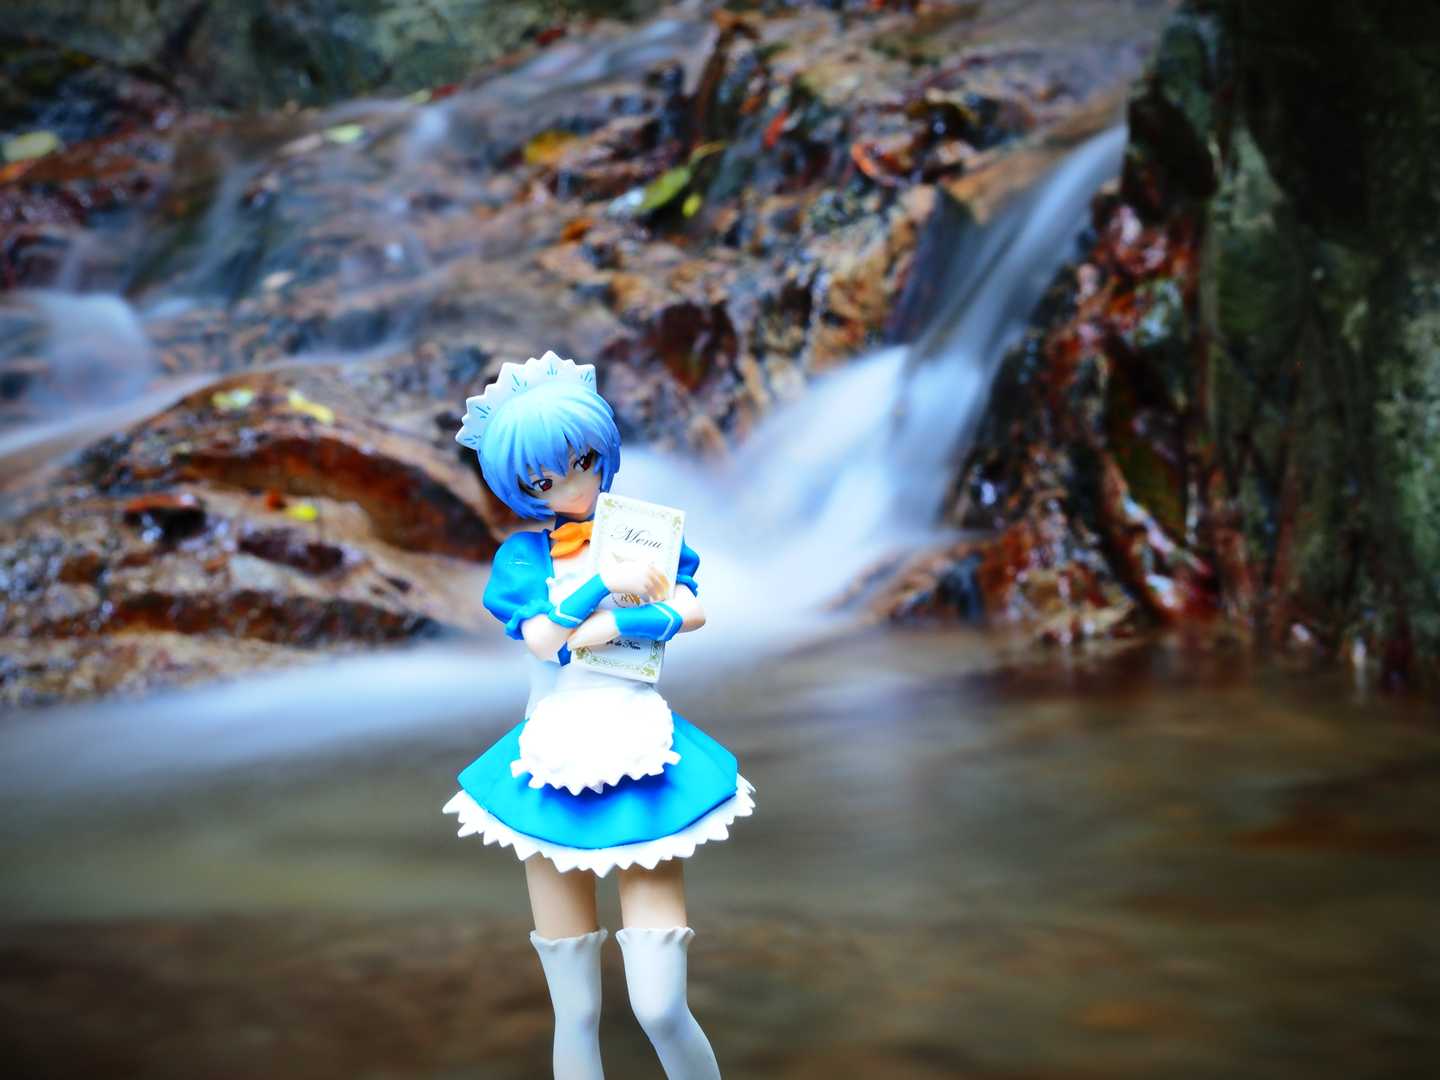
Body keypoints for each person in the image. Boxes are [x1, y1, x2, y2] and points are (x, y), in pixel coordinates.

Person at [445, 351, 755, 1080]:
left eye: (583, 461)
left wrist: (616, 622)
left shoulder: (642, 531)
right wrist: (600, 589)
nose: (571, 484)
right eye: (543, 480)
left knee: (660, 1006)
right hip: (549, 754)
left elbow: (691, 607)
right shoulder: (522, 558)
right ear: (521, 487)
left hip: (641, 748)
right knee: (576, 1010)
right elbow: (543, 641)